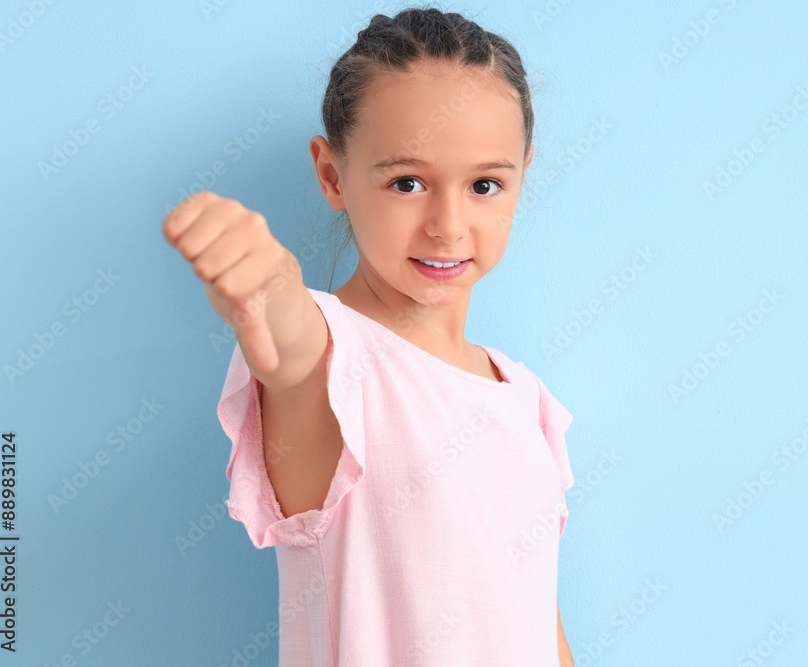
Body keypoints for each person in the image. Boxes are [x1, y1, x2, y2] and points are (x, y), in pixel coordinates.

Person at [163, 6, 577, 665]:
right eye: (407, 182)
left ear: (522, 176)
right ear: (332, 175)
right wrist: (267, 287)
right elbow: (292, 346)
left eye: (484, 184)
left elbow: (537, 623)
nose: (448, 225)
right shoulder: (335, 355)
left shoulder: (524, 398)